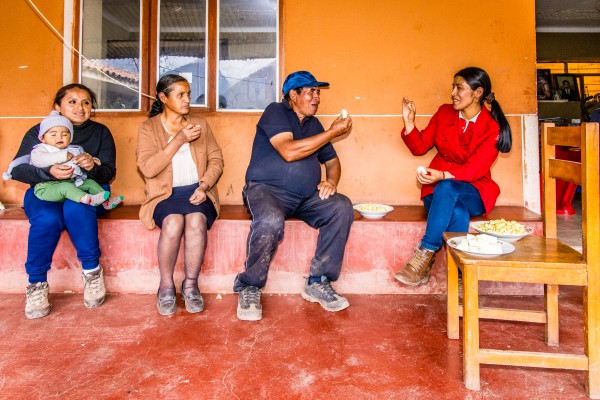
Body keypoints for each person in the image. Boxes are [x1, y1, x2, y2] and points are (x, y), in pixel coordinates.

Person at [233, 70, 354, 321]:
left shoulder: (314, 125)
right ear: (293, 94)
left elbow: (332, 161)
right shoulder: (275, 112)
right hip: (267, 191)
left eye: (318, 92)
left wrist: (331, 181)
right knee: (269, 221)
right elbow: (288, 151)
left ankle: (318, 281)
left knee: (341, 206)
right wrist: (332, 133)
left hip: (305, 198)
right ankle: (250, 285)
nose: (317, 97)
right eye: (311, 91)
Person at [394, 66, 512, 286]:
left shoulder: (492, 128)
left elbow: (475, 170)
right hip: (436, 191)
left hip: (473, 190)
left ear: (478, 93)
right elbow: (420, 147)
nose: (453, 93)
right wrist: (409, 122)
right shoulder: (444, 113)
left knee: (449, 187)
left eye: (459, 88)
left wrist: (442, 175)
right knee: (457, 212)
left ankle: (425, 253)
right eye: (453, 87)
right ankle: (460, 275)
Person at [9, 83, 118, 319]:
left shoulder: (100, 132)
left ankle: (92, 272)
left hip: (85, 188)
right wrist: (49, 173)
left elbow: (109, 172)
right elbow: (18, 170)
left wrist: (92, 168)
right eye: (72, 102)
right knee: (47, 220)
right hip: (46, 191)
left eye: (86, 102)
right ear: (57, 106)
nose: (80, 107)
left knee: (77, 209)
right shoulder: (38, 131)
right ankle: (36, 284)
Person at [136, 74, 224, 316]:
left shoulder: (201, 123)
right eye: (180, 95)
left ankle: (191, 285)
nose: (187, 100)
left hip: (198, 190)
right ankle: (166, 287)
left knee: (196, 221)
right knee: (173, 222)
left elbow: (216, 159)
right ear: (163, 98)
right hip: (165, 194)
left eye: (188, 94)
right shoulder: (148, 128)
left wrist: (204, 186)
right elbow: (148, 168)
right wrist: (179, 139)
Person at [4, 111, 123, 209]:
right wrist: (61, 157)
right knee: (66, 188)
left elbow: (84, 156)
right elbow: (39, 161)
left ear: (70, 137)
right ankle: (87, 199)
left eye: (65, 134)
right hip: (48, 187)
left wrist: (93, 161)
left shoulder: (73, 149)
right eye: (53, 134)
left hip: (72, 183)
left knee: (90, 183)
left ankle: (106, 202)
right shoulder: (40, 149)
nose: (59, 137)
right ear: (43, 138)